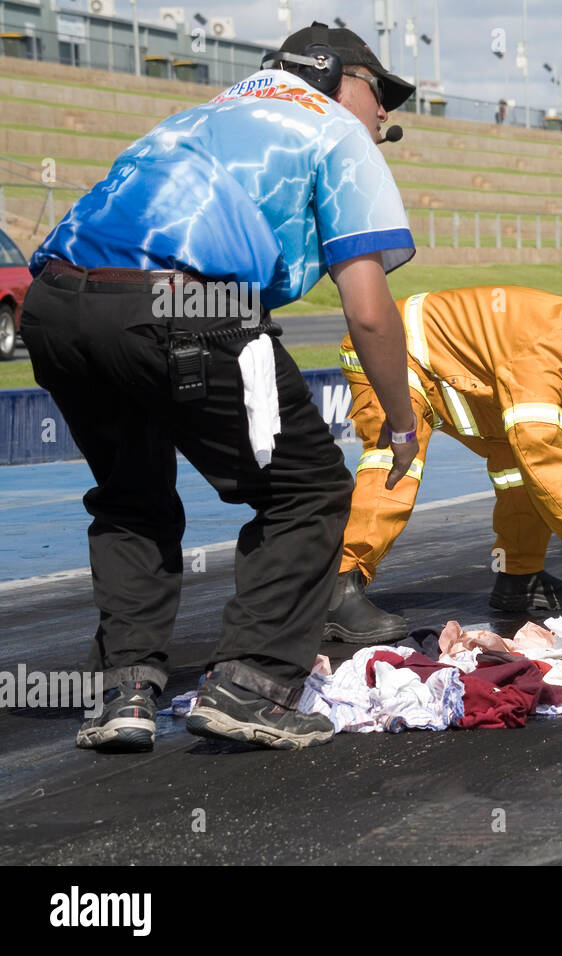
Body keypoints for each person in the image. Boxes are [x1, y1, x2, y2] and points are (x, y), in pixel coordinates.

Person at [21, 21, 421, 752]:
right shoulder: (333, 129)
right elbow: (368, 314)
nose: (385, 113)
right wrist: (400, 423)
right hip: (186, 305)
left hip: (55, 306)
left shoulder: (195, 118)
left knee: (131, 494)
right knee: (306, 491)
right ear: (331, 75)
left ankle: (121, 694)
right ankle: (252, 686)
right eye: (378, 91)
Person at [326, 290, 562, 642]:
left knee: (521, 472)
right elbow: (539, 448)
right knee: (397, 461)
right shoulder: (546, 351)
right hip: (390, 348)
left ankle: (519, 578)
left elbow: (534, 454)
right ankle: (338, 588)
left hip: (454, 370)